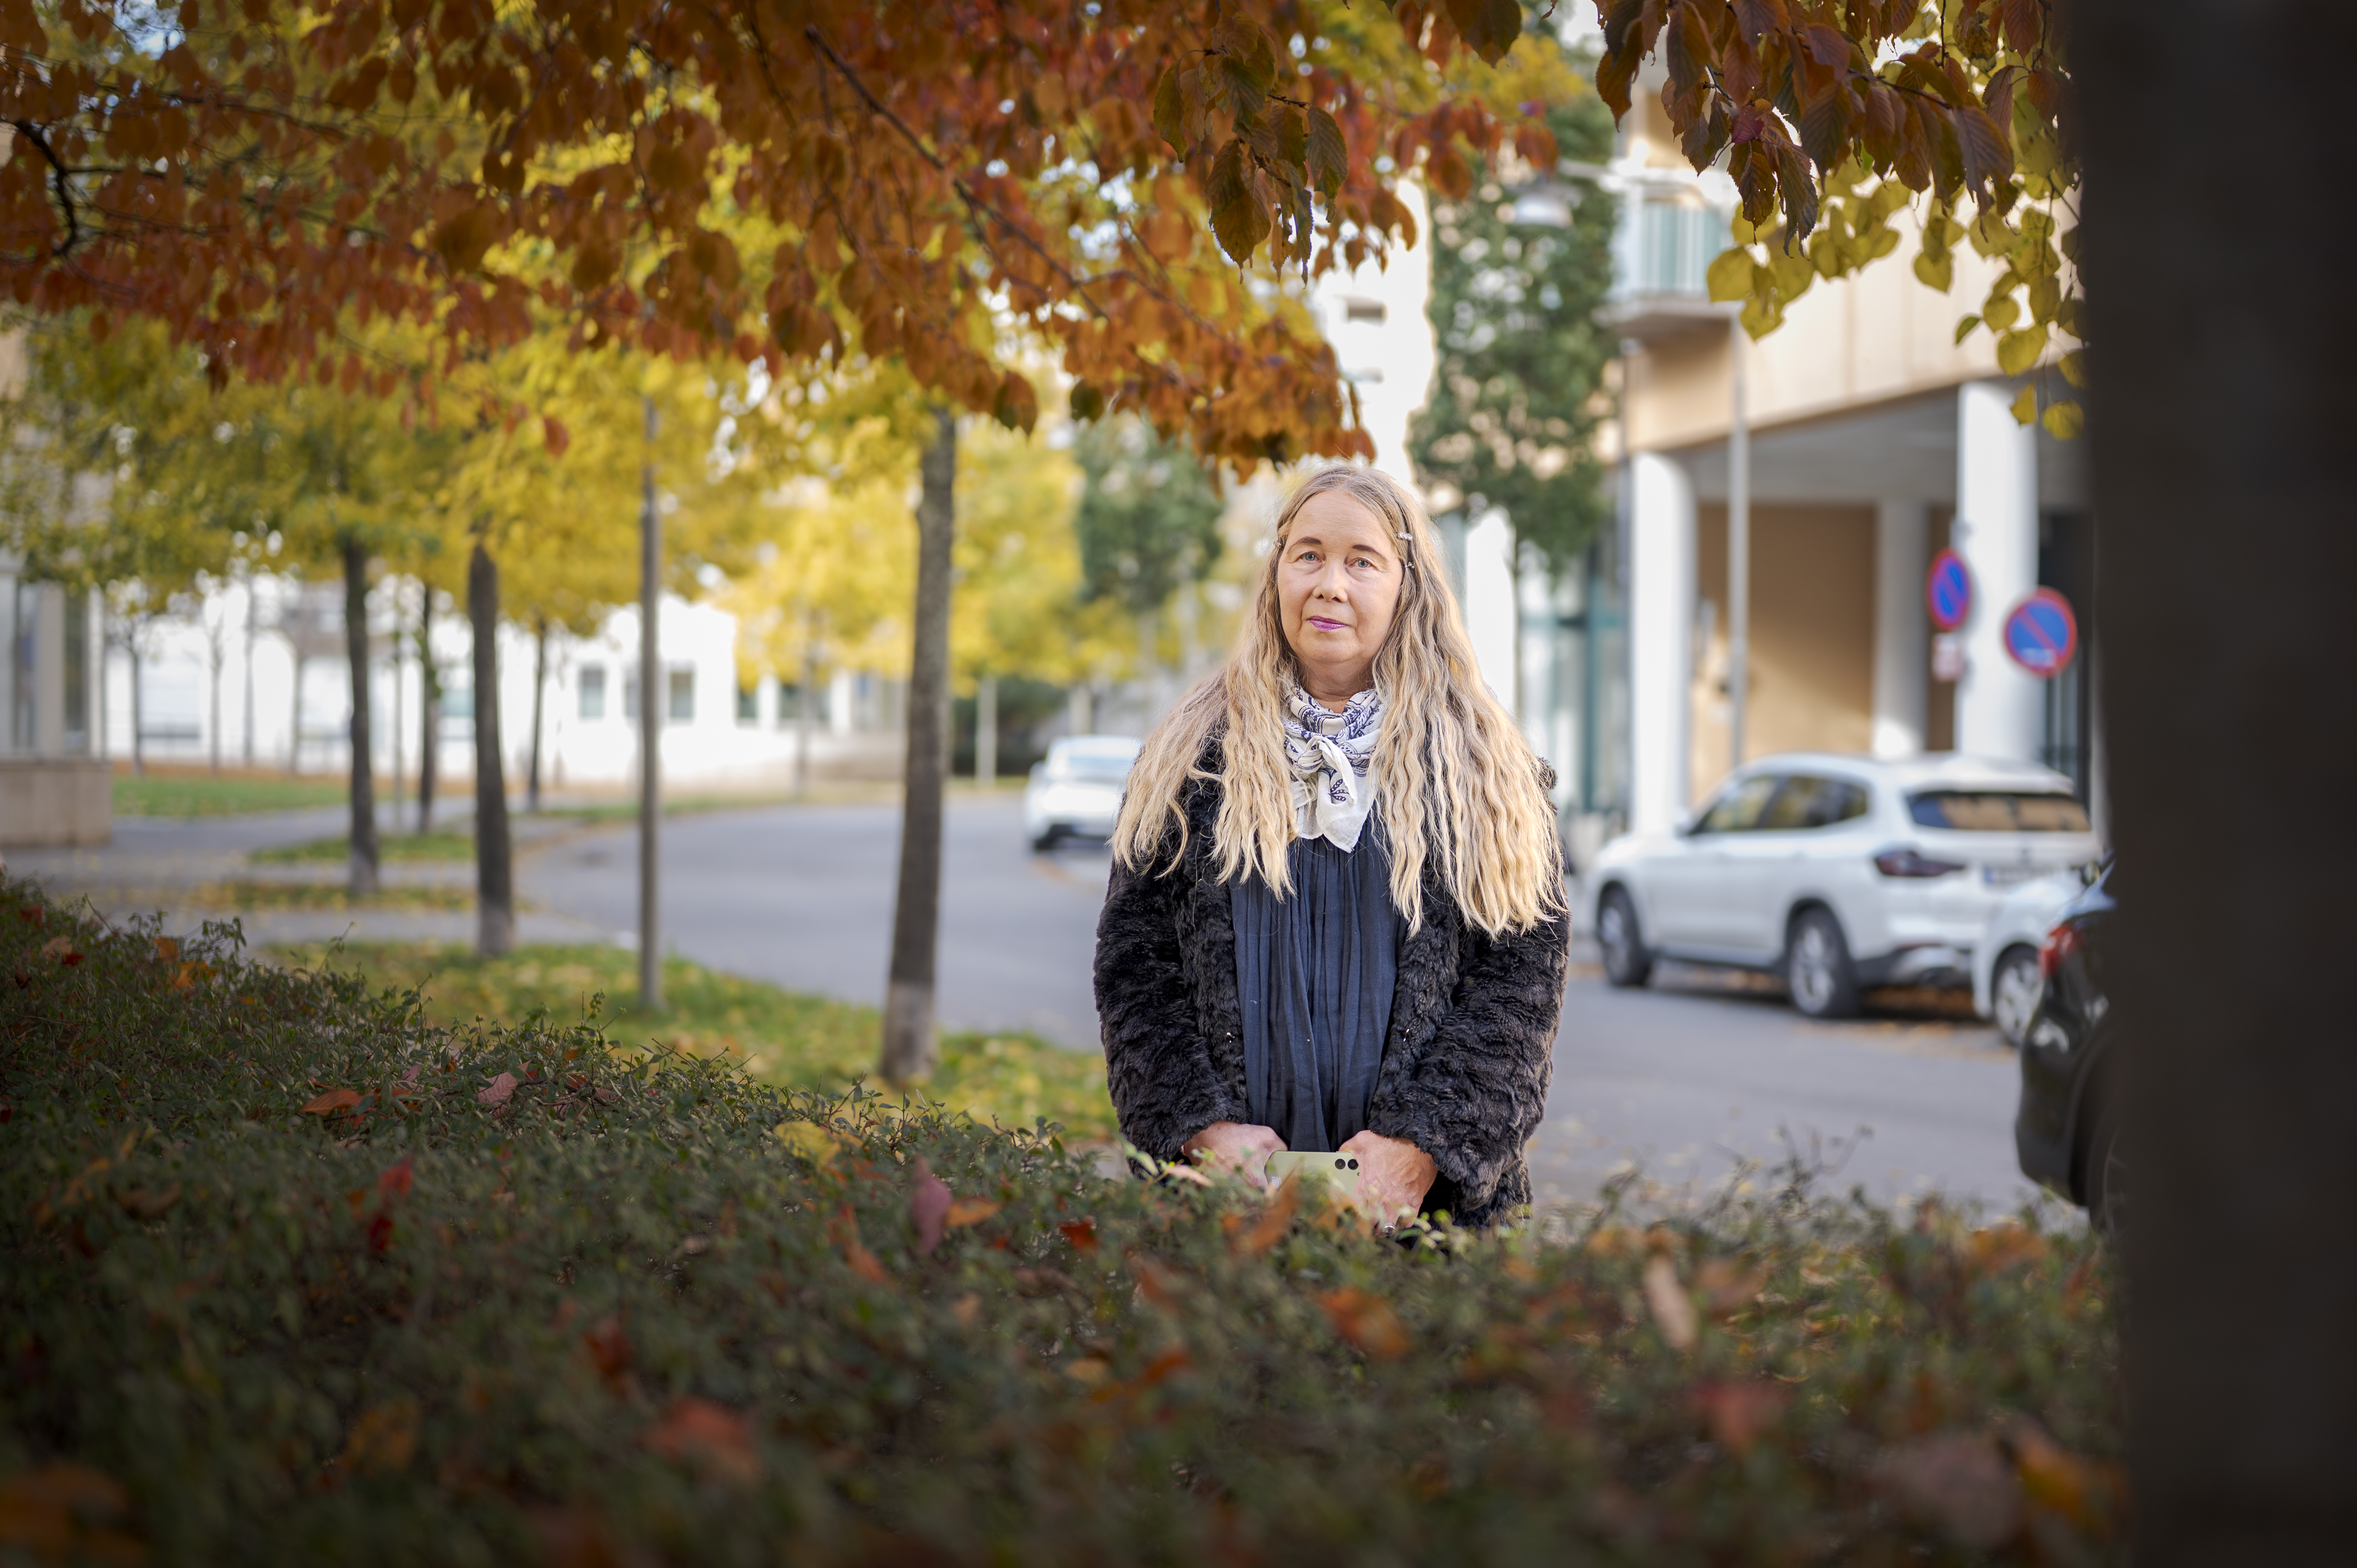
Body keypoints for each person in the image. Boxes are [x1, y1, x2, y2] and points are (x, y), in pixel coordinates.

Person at [1093, 466, 1569, 1229]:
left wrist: (1421, 1148)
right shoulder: (1189, 759)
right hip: (1226, 1210)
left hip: (1424, 1219)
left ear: (1407, 585)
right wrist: (1205, 1133)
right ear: (1276, 573)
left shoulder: (1484, 772)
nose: (1330, 584)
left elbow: (1519, 989)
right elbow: (1134, 973)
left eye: (1362, 560)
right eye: (1307, 554)